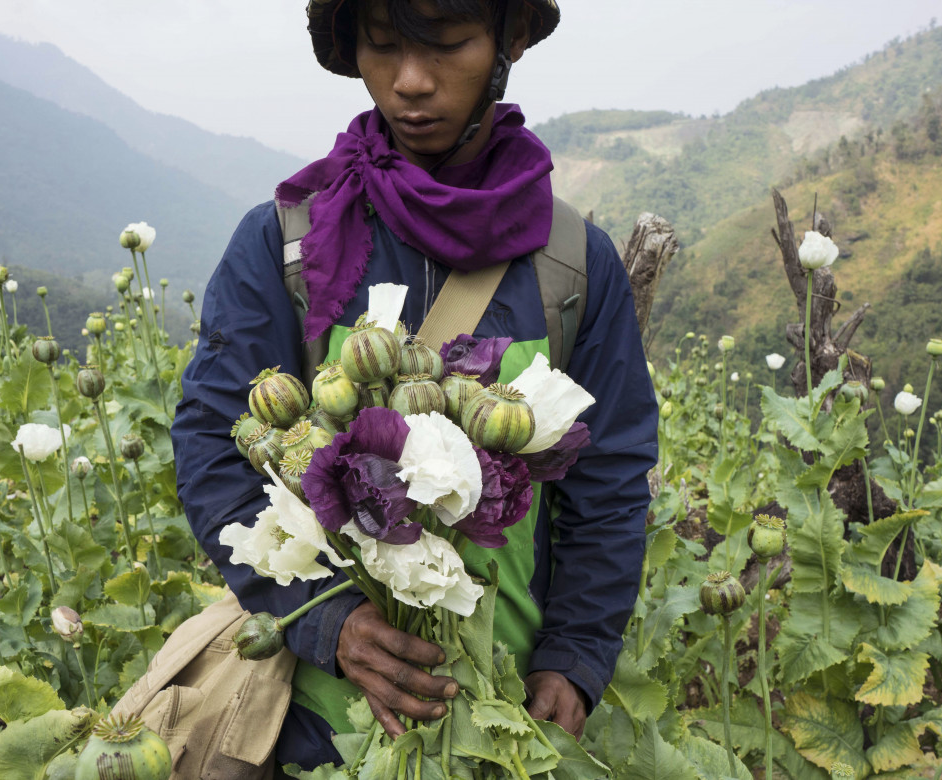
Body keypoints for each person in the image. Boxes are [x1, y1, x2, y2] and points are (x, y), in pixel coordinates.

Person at [171, 0, 657, 771]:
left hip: (509, 714)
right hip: (318, 722)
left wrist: (575, 656)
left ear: (510, 41)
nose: (409, 82)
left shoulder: (572, 266)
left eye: (449, 44)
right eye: (383, 46)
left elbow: (612, 479)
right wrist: (322, 624)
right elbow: (212, 445)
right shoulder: (287, 245)